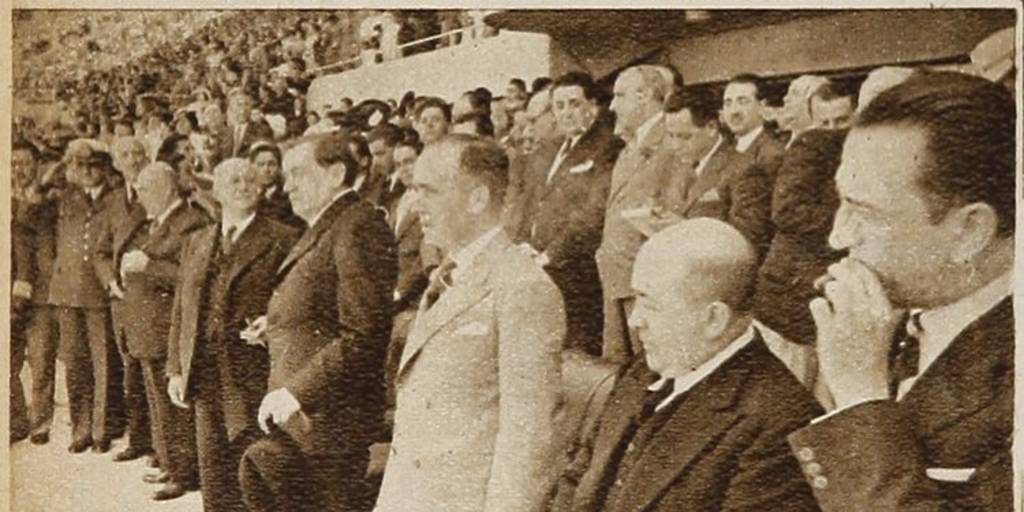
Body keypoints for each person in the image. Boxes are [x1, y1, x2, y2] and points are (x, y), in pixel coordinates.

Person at [787, 72, 1014, 511]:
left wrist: (859, 401)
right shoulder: (898, 314)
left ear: (970, 231)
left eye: (864, 213)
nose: (836, 236)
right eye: (841, 202)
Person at [551, 218, 822, 512]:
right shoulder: (644, 371)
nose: (634, 320)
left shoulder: (782, 423)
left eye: (651, 304)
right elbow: (577, 480)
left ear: (714, 319)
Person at [375, 135, 565, 512]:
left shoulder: (522, 286)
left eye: (429, 191)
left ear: (477, 199)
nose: (416, 205)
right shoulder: (448, 274)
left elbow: (528, 437)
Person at [239, 130, 397, 512]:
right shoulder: (330, 224)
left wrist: (296, 392)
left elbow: (364, 333)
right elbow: (322, 309)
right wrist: (276, 324)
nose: (285, 184)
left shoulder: (356, 224)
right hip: (310, 422)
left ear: (335, 173)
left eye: (297, 173)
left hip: (328, 423)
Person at [167, 158, 300, 512]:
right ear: (217, 191)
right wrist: (175, 369)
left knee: (254, 470)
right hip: (205, 375)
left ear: (260, 189)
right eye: (234, 180)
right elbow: (182, 308)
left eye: (250, 180)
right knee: (213, 473)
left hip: (254, 374)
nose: (243, 185)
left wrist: (271, 327)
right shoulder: (196, 241)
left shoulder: (283, 238)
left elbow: (296, 302)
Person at [120, 161, 210, 500]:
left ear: (164, 189)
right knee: (159, 404)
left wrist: (150, 266)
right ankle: (170, 461)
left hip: (166, 329)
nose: (140, 195)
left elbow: (193, 278)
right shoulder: (156, 223)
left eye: (144, 188)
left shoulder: (190, 222)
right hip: (147, 329)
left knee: (175, 407)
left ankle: (185, 472)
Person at [525, 71, 624, 356]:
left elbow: (593, 214)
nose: (567, 113)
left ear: (593, 106)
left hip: (577, 273)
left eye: (574, 104)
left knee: (577, 355)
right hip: (542, 266)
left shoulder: (608, 146)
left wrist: (549, 255)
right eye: (560, 106)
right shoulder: (551, 149)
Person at [595, 65, 678, 363]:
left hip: (642, 281)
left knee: (649, 366)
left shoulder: (670, 143)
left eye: (620, 96)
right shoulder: (630, 147)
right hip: (617, 276)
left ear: (643, 96)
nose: (613, 105)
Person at [47, 140, 124, 454]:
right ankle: (80, 427)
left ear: (105, 169)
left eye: (94, 166)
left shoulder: (118, 198)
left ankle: (101, 428)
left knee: (103, 363)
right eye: (82, 166)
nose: (88, 172)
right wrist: (68, 156)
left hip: (98, 292)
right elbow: (40, 189)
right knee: (75, 362)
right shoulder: (66, 197)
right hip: (66, 291)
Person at [661, 87, 773, 257]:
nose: (675, 146)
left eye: (684, 137)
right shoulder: (680, 167)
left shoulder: (744, 169)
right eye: (671, 136)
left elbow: (747, 240)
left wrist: (685, 230)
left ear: (711, 127)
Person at [100, 136, 154, 462]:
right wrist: (110, 280)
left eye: (138, 153)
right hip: (121, 298)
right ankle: (139, 438)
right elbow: (100, 250)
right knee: (130, 371)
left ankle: (160, 446)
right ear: (117, 163)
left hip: (150, 298)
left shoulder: (158, 192)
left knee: (152, 372)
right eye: (125, 154)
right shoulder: (112, 200)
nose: (132, 159)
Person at [10, 140, 61, 445]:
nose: (19, 170)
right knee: (10, 362)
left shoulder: (49, 202)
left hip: (41, 294)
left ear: (36, 165)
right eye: (14, 163)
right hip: (10, 291)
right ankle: (16, 419)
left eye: (25, 163)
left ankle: (40, 422)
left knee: (42, 361)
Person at [721, 73, 785, 181]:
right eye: (728, 103)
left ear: (761, 107)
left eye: (742, 102)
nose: (733, 111)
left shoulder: (770, 153)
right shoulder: (726, 152)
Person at [249, 141, 305, 228]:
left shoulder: (289, 195)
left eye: (271, 164)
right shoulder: (248, 195)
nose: (266, 170)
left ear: (279, 167)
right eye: (260, 165)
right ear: (252, 167)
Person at [777, 75, 830, 149]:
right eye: (788, 94)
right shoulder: (780, 139)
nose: (785, 99)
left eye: (795, 94)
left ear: (814, 102)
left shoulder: (819, 144)